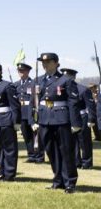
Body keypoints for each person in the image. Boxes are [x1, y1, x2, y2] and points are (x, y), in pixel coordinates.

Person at [36, 52, 82, 194]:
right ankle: (58, 180)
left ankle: (70, 182)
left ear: (56, 63)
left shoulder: (66, 80)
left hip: (61, 119)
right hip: (45, 119)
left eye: (48, 62)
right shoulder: (38, 80)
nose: (45, 64)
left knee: (66, 151)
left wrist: (75, 122)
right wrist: (36, 119)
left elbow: (73, 102)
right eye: (43, 62)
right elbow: (35, 102)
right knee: (51, 151)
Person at [61, 68, 94, 169]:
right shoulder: (62, 90)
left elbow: (90, 105)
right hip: (69, 117)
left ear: (73, 77)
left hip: (82, 116)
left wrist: (91, 119)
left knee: (84, 141)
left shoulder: (83, 89)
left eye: (68, 76)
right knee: (72, 141)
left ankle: (86, 162)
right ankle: (76, 162)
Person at [15, 63, 43, 163]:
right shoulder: (16, 84)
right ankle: (31, 155)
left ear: (28, 71)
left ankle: (39, 155)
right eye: (19, 71)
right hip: (22, 113)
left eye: (22, 71)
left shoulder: (33, 83)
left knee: (35, 135)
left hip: (32, 112)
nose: (21, 73)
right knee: (26, 136)